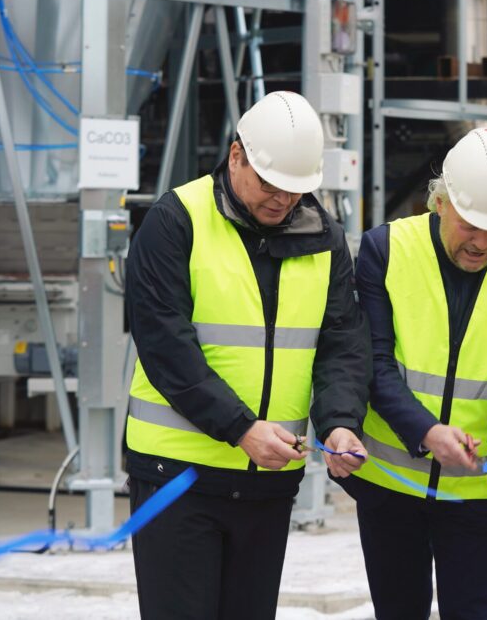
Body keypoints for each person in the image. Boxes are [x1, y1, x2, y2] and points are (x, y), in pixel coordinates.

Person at [124, 91, 371, 620]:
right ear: (236, 155)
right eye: (269, 185)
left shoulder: (324, 237)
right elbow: (167, 346)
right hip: (177, 476)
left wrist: (341, 423)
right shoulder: (176, 221)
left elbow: (342, 344)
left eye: (295, 190)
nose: (282, 200)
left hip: (266, 484)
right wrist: (240, 428)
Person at [342, 127, 487, 620]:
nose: (481, 243)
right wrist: (426, 432)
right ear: (440, 202)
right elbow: (375, 363)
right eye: (470, 225)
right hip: (391, 482)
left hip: (474, 488)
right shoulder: (385, 250)